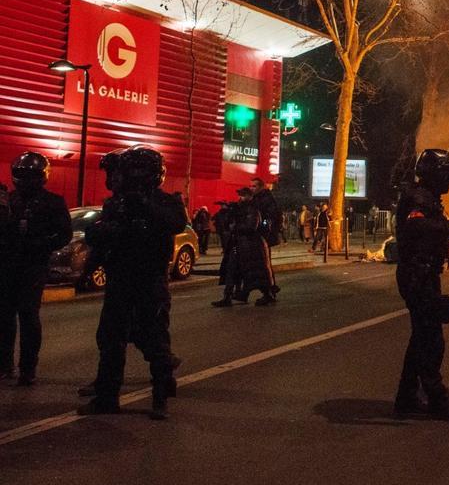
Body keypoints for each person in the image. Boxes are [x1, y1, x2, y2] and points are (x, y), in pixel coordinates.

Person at [78, 146, 188, 419]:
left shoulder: (166, 202)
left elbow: (175, 223)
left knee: (155, 340)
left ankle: (160, 395)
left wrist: (144, 207)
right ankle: (107, 397)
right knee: (111, 339)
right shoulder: (117, 203)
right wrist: (90, 265)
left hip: (150, 280)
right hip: (120, 280)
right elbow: (101, 238)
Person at [393, 149, 449, 420]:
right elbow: (417, 226)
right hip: (418, 274)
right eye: (446, 174)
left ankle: (406, 397)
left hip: (423, 272)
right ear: (433, 174)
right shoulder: (418, 198)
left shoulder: (428, 198)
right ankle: (437, 399)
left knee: (420, 338)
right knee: (431, 340)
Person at [0, 152, 71, 385]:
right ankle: (4, 365)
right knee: (4, 318)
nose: (25, 180)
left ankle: (28, 368)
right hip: (7, 265)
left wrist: (39, 244)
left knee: (29, 317)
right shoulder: (9, 200)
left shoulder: (53, 202)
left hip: (32, 266)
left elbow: (63, 235)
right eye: (21, 174)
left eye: (30, 175)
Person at [214, 188, 276, 306]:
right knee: (231, 270)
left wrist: (235, 227)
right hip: (240, 245)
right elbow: (227, 224)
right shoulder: (241, 209)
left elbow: (251, 227)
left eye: (243, 195)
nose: (240, 198)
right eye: (240, 195)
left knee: (256, 273)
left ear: (249, 196)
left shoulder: (253, 209)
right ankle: (227, 296)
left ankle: (267, 294)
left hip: (251, 246)